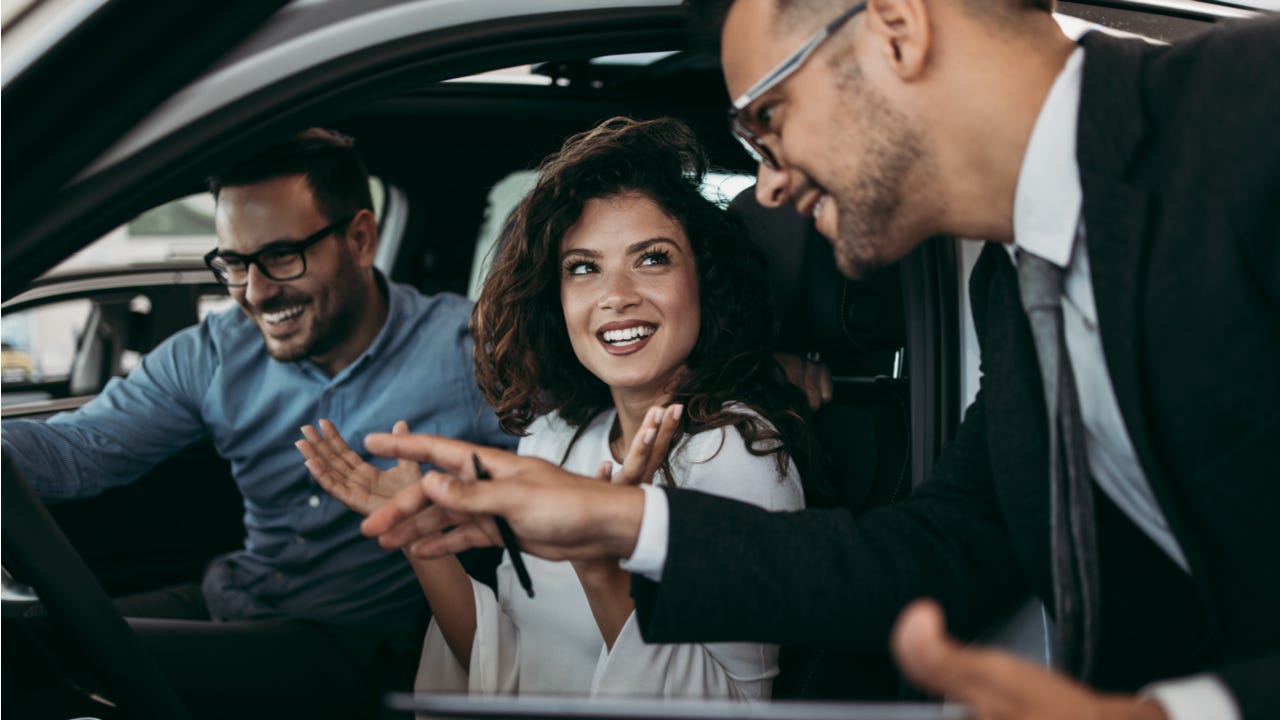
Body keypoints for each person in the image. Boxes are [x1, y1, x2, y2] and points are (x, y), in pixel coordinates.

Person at [350, 2, 1280, 719]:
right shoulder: (1012, 286)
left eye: (770, 116)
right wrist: (620, 519)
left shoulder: (1254, 116)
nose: (767, 181)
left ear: (898, 27)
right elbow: (937, 550)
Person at [299, 116, 825, 699]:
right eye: (583, 268)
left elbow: (728, 708)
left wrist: (604, 568)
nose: (616, 296)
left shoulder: (738, 456)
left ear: (705, 278)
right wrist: (420, 542)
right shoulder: (558, 435)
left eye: (652, 258)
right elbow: (509, 664)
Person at [0, 128, 512, 718]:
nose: (255, 292)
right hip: (228, 598)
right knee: (26, 636)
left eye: (278, 257)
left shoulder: (469, 353)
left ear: (361, 238)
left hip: (341, 648)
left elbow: (565, 467)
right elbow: (79, 447)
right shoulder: (215, 352)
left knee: (41, 662)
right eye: (234, 263)